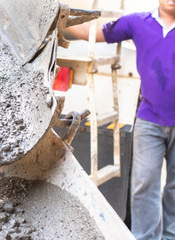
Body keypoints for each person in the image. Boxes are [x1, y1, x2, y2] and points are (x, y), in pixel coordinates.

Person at [67, 1, 175, 239]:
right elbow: (93, 33)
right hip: (150, 120)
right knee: (144, 185)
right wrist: (58, 16)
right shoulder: (138, 22)